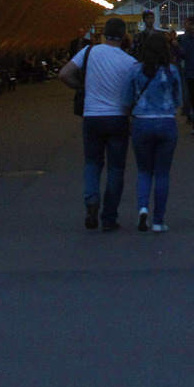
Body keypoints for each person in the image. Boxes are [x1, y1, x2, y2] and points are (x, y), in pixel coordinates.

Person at [59, 17, 139, 231]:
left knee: (92, 164)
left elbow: (64, 73)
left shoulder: (88, 52)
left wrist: (81, 88)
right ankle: (109, 217)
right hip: (118, 118)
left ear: (104, 34)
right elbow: (133, 94)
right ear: (123, 36)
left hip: (92, 116)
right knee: (115, 169)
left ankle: (92, 202)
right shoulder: (129, 62)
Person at [125, 30, 182, 233]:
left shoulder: (135, 70)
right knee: (162, 173)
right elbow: (179, 101)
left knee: (144, 171)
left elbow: (127, 99)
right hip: (166, 123)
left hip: (141, 123)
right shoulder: (172, 71)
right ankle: (158, 220)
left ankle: (142, 208)